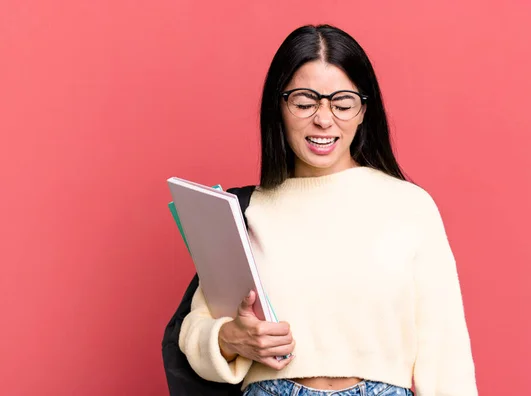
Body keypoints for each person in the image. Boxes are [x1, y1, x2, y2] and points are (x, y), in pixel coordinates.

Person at [178, 24, 478, 396]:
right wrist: (229, 339)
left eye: (342, 103)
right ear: (279, 107)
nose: (323, 119)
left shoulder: (410, 206)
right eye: (305, 102)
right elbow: (195, 329)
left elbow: (446, 354)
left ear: (364, 111)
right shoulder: (245, 210)